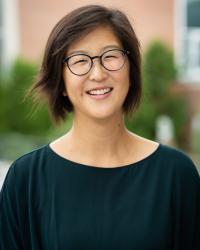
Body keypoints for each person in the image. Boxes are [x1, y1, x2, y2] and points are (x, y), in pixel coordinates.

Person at [0, 4, 199, 250]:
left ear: (131, 70)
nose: (97, 73)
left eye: (110, 56)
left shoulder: (176, 174)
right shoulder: (25, 179)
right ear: (61, 81)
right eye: (80, 60)